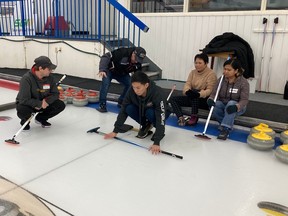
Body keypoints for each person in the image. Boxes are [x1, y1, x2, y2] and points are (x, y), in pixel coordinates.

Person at [104, 72, 170, 155]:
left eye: (138, 88)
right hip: (144, 110)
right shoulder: (131, 91)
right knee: (129, 108)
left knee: (150, 113)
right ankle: (146, 125)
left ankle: (156, 128)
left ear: (146, 85)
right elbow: (123, 110)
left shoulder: (158, 93)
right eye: (133, 87)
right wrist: (115, 131)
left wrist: (157, 142)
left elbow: (161, 117)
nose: (135, 90)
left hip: (159, 114)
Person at [16, 56, 66, 130]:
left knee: (60, 105)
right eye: (49, 69)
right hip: (30, 104)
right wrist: (38, 104)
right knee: (22, 108)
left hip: (44, 103)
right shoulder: (26, 79)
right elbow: (24, 99)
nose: (51, 71)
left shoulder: (50, 78)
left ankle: (41, 118)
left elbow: (55, 94)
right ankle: (25, 121)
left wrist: (46, 101)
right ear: (40, 68)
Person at [207, 58, 249, 140]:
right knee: (215, 105)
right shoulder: (221, 79)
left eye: (229, 70)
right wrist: (210, 99)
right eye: (224, 69)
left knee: (231, 104)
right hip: (223, 104)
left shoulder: (243, 82)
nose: (225, 71)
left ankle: (225, 129)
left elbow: (244, 100)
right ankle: (225, 123)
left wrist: (237, 106)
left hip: (237, 106)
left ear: (236, 71)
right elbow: (214, 93)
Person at [170, 53, 217, 126]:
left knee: (195, 93)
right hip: (193, 98)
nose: (197, 65)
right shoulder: (192, 72)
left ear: (206, 63)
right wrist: (187, 92)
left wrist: (199, 94)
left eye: (200, 63)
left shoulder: (211, 74)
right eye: (196, 63)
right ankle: (180, 117)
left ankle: (194, 116)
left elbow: (210, 90)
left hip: (204, 100)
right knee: (173, 99)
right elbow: (187, 84)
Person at [97, 47, 146, 112]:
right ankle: (102, 104)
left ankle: (121, 101)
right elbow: (106, 56)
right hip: (109, 71)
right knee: (105, 85)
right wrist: (102, 69)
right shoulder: (122, 52)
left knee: (130, 84)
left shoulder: (137, 63)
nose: (136, 61)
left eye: (139, 60)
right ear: (133, 53)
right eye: (136, 59)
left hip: (122, 73)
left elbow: (138, 75)